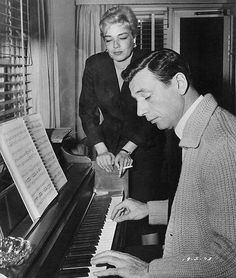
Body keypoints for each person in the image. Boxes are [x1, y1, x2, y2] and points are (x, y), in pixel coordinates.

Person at [90, 49, 236, 277]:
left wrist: (148, 270)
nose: (140, 111)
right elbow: (204, 214)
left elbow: (230, 259)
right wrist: (150, 209)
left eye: (146, 96)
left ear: (179, 83)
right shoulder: (201, 130)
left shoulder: (222, 144)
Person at [79, 6, 167, 245]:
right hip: (107, 146)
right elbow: (87, 112)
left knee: (145, 214)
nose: (115, 46)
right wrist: (101, 149)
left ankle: (150, 258)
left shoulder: (150, 63)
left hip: (144, 145)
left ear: (134, 38)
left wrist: (127, 150)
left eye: (122, 38)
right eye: (109, 39)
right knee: (110, 212)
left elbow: (155, 114)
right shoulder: (95, 65)